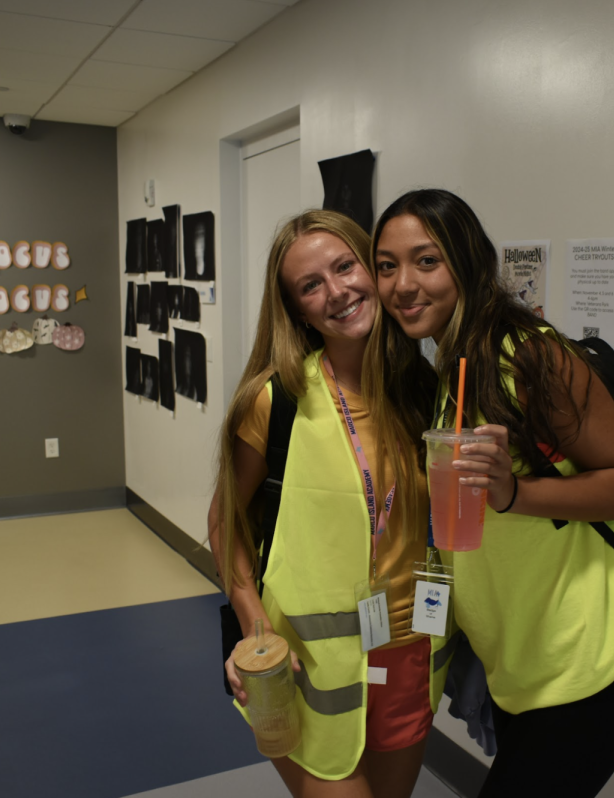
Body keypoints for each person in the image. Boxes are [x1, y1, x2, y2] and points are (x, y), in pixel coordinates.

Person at [371, 189, 614, 798]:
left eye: (427, 261)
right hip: (519, 667)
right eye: (386, 265)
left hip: (585, 659)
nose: (403, 283)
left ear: (471, 263)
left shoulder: (528, 356)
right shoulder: (445, 370)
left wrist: (516, 494)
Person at [207, 210, 447, 798]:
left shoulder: (426, 394)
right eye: (311, 285)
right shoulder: (276, 401)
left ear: (373, 269)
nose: (338, 292)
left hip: (414, 653)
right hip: (309, 669)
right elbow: (225, 520)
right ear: (296, 310)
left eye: (346, 267)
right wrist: (252, 624)